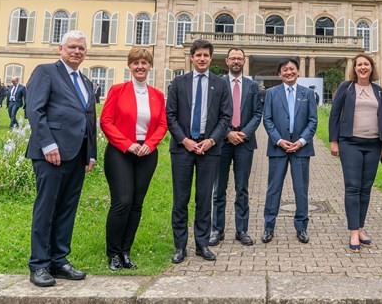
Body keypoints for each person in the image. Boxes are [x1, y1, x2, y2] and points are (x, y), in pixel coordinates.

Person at [25, 30, 97, 287]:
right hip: (50, 154)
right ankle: (39, 265)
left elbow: (89, 118)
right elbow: (34, 109)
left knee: (67, 208)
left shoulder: (86, 82)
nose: (77, 51)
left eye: (81, 48)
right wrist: (48, 144)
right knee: (46, 208)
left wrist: (91, 153)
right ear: (61, 48)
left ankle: (59, 260)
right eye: (72, 47)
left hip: (77, 155)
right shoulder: (46, 72)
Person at [100, 48, 168, 271]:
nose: (140, 67)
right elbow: (106, 121)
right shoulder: (118, 90)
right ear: (130, 66)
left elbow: (162, 125)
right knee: (123, 202)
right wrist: (127, 144)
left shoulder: (156, 94)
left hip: (147, 153)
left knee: (137, 204)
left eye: (144, 63)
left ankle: (125, 251)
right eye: (136, 63)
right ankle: (113, 253)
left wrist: (150, 144)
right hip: (121, 151)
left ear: (150, 66)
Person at [166, 39, 232, 264]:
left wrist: (212, 140)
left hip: (209, 149)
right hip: (183, 149)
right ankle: (180, 246)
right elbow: (170, 115)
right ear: (192, 58)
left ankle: (202, 244)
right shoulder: (178, 83)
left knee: (204, 199)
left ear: (211, 59)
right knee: (180, 199)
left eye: (206, 55)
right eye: (198, 55)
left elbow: (226, 117)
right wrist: (184, 140)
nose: (202, 58)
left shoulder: (221, 85)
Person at [329, 53, 382, 252]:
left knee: (366, 188)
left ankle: (361, 228)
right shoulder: (347, 87)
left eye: (366, 64)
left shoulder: (378, 91)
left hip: (373, 144)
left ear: (371, 68)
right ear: (354, 68)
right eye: (359, 64)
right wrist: (334, 141)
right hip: (350, 143)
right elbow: (335, 114)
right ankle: (353, 231)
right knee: (353, 186)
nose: (363, 67)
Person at [210, 47, 263, 247]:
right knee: (219, 189)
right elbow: (212, 112)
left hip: (244, 142)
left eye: (239, 59)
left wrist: (244, 133)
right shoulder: (218, 84)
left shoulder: (252, 86)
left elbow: (258, 113)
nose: (236, 61)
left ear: (244, 61)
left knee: (242, 188)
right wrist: (227, 133)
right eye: (233, 58)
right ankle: (217, 230)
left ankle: (242, 230)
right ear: (227, 61)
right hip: (222, 142)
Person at [261, 58, 317, 244]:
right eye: (284, 69)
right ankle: (269, 227)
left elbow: (312, 121)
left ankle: (301, 227)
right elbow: (267, 119)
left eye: (292, 69)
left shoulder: (308, 93)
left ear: (298, 72)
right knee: (273, 189)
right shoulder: (271, 93)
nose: (288, 72)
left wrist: (301, 141)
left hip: (301, 149)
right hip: (278, 148)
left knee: (301, 190)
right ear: (280, 74)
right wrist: (278, 140)